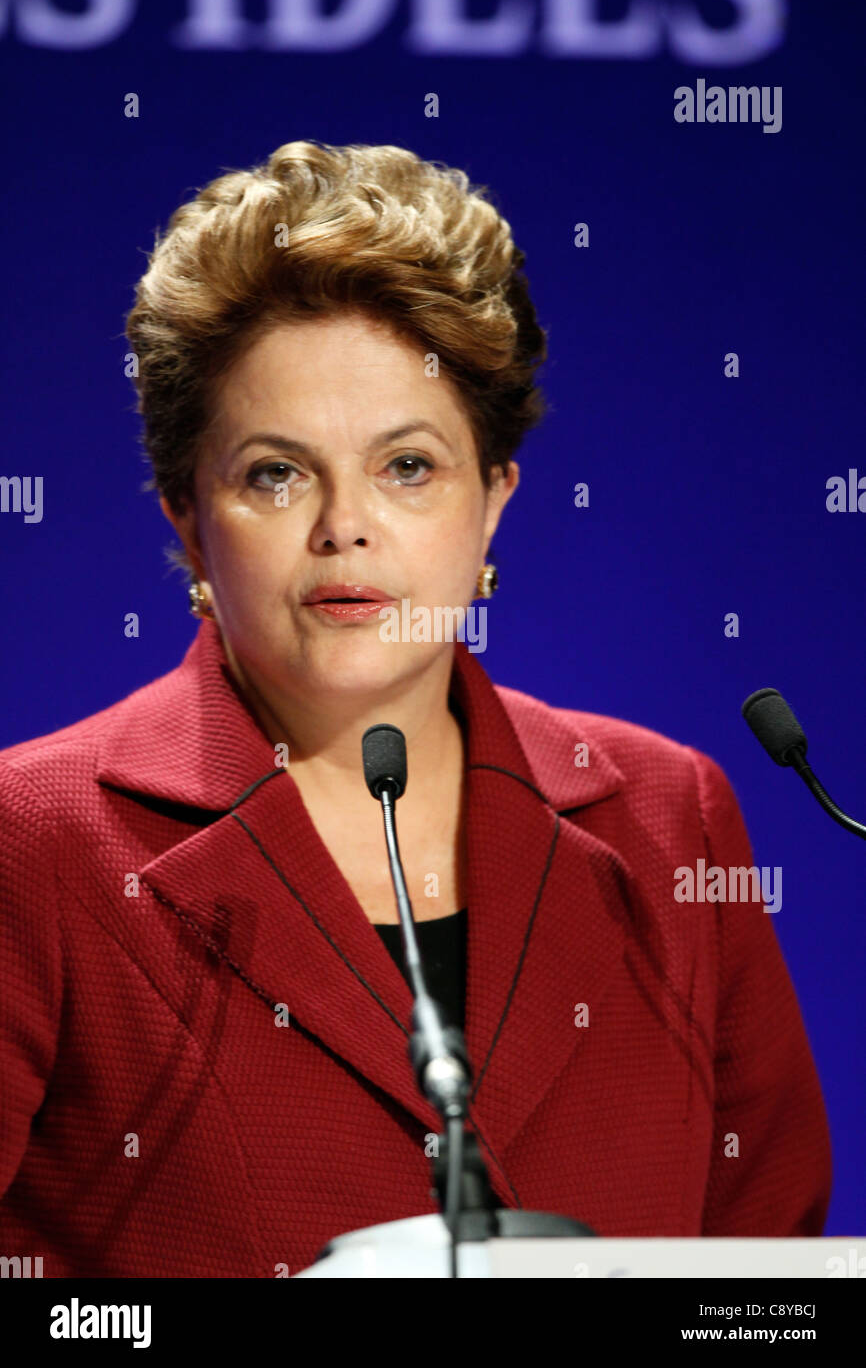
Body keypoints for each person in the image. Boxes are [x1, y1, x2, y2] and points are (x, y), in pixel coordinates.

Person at [0, 141, 831, 1277]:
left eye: (407, 466)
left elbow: (766, 1266)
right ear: (188, 519)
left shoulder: (668, 816)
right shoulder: (35, 841)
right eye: (274, 473)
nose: (345, 526)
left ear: (492, 502)